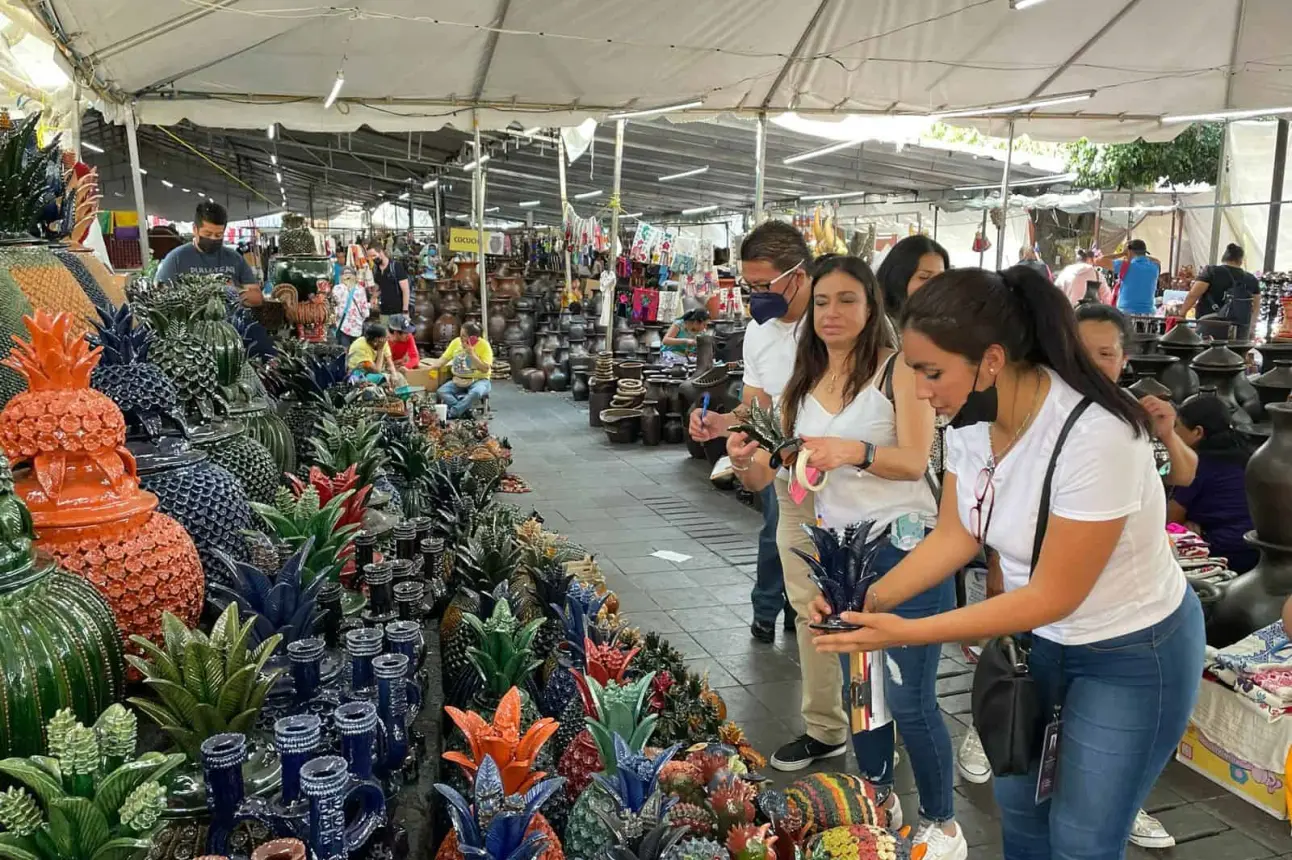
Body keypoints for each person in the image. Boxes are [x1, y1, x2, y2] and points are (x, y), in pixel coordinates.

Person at [811, 265, 1205, 860]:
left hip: (1130, 652)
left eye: (931, 372)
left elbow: (1054, 595)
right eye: (915, 371)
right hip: (1034, 646)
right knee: (1020, 814)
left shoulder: (1096, 434)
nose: (919, 390)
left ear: (991, 360)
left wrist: (910, 631)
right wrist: (866, 603)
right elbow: (955, 535)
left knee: (1082, 838)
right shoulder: (970, 422)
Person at [727, 256, 962, 859]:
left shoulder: (898, 371)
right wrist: (745, 455)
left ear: (871, 307)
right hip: (842, 559)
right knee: (864, 694)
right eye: (825, 302)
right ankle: (878, 794)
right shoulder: (800, 385)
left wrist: (850, 450)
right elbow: (777, 478)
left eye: (847, 301)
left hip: (907, 548)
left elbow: (913, 460)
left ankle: (942, 822)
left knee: (910, 698)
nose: (832, 313)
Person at [690, 221, 844, 772]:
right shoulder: (759, 334)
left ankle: (881, 719)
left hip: (853, 481)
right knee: (807, 602)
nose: (754, 297)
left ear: (797, 276)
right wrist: (725, 428)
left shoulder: (835, 322)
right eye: (748, 285)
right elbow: (756, 409)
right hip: (795, 479)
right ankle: (826, 726)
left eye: (763, 284)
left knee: (867, 603)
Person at [1076, 303, 1198, 488]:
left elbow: (1184, 476)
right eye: (1081, 353)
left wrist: (1167, 434)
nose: (1092, 364)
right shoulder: (1050, 405)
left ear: (1124, 359)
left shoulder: (1136, 405)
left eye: (1105, 354)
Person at [1170, 395, 1258, 573]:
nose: (1173, 431)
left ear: (1197, 432)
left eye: (1176, 426)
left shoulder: (1196, 465)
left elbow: (1170, 519)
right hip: (1258, 547)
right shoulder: (1247, 452)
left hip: (1222, 551)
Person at [155, 201, 263, 307]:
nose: (213, 238)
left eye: (218, 235)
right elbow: (158, 297)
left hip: (230, 322)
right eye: (207, 234)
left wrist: (234, 292)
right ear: (195, 230)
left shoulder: (234, 258)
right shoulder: (176, 258)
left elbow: (257, 298)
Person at [1179, 243, 1262, 341]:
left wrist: (1182, 313)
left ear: (1224, 257)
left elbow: (1194, 294)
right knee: (1236, 355)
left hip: (1211, 324)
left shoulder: (1212, 271)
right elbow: (1256, 307)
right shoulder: (1251, 279)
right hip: (1240, 328)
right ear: (1241, 260)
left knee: (1207, 354)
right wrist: (1251, 327)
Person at [876, 235, 949, 339]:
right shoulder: (878, 325)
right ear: (898, 278)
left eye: (941, 278)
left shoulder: (944, 321)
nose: (935, 285)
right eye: (924, 277)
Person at [430, 322, 493, 418]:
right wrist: (429, 368)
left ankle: (454, 412)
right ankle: (465, 411)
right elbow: (443, 359)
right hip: (458, 379)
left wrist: (472, 354)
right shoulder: (456, 342)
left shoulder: (484, 345)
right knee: (442, 391)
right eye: (460, 335)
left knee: (476, 392)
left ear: (473, 338)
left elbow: (485, 369)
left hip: (479, 380)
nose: (461, 339)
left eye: (463, 336)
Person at [1115, 239, 1162, 315]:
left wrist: (1122, 254)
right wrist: (1143, 256)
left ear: (1129, 251)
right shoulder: (1155, 267)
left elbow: (1099, 260)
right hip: (1148, 313)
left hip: (1125, 312)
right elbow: (1157, 261)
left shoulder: (1125, 266)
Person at [367, 241, 410, 321]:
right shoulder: (377, 270)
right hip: (383, 312)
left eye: (374, 255)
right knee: (385, 333)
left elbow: (405, 290)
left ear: (381, 252)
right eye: (370, 257)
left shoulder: (396, 266)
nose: (372, 259)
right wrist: (373, 297)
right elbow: (379, 288)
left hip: (397, 313)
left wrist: (405, 311)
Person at [332, 265, 370, 349]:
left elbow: (335, 310)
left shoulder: (337, 289)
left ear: (341, 276)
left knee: (344, 351)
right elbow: (365, 313)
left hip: (343, 326)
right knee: (357, 351)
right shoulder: (360, 289)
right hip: (357, 326)